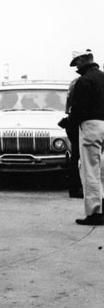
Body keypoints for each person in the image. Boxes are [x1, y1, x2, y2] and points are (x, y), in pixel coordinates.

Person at [68, 49, 104, 226]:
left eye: (77, 63)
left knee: (90, 169)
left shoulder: (83, 81)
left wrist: (70, 126)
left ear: (83, 60)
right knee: (102, 170)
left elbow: (78, 110)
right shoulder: (103, 77)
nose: (76, 67)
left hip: (90, 126)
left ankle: (95, 212)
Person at [59, 77, 83, 198]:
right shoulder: (83, 82)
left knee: (75, 158)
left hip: (72, 123)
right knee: (82, 159)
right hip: (80, 124)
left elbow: (70, 106)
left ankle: (74, 188)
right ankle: (77, 188)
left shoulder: (74, 82)